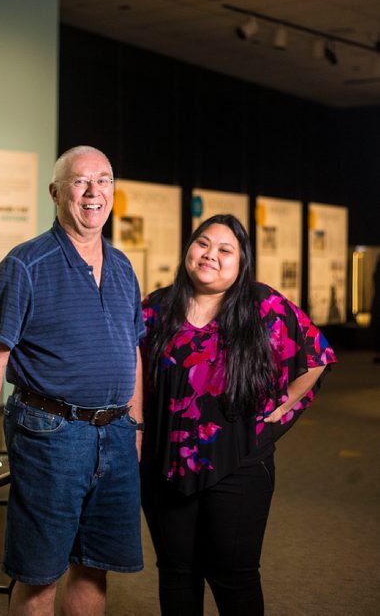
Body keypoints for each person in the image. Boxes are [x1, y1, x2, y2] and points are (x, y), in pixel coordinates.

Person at [0, 146, 144, 616]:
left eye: (104, 180)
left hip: (116, 435)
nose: (94, 191)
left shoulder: (122, 267)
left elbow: (133, 350)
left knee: (93, 566)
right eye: (81, 181)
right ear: (56, 192)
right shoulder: (24, 265)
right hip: (52, 435)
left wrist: (134, 426)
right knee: (39, 573)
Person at [139, 214, 337, 616]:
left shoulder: (263, 305)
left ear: (241, 261)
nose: (210, 255)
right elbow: (132, 376)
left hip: (240, 466)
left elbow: (317, 357)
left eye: (225, 249)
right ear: (188, 250)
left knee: (234, 576)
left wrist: (279, 412)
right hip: (163, 467)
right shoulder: (156, 309)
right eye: (202, 244)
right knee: (176, 571)